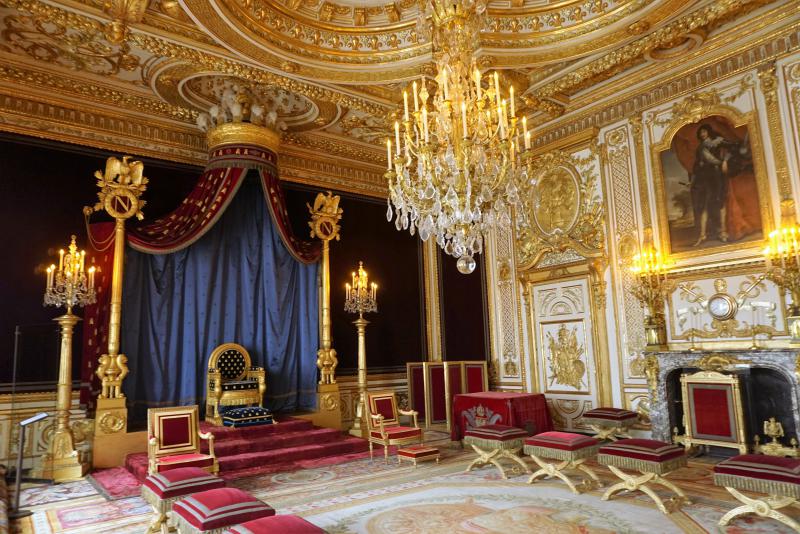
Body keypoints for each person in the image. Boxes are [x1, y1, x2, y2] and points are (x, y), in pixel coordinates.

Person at [689, 124, 743, 246]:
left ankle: (723, 233)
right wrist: (694, 179)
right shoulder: (700, 148)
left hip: (717, 175)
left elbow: (734, 147)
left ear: (708, 132)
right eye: (701, 133)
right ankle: (702, 235)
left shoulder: (718, 141)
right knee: (704, 205)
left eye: (704, 132)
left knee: (720, 201)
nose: (703, 134)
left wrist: (725, 161)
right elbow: (697, 165)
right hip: (704, 178)